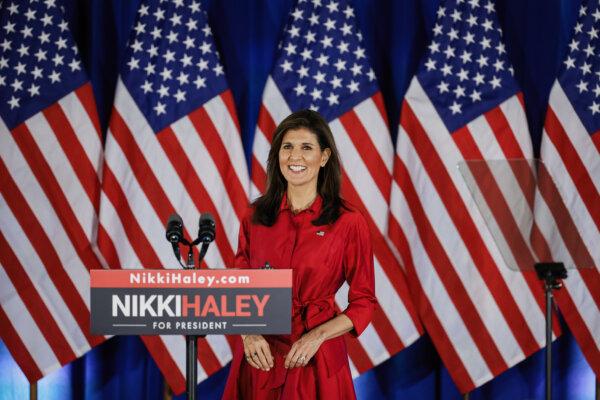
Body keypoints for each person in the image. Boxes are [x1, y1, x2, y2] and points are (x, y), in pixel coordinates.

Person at [222, 109, 376, 399]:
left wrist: (317, 336)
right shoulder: (254, 216)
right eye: (287, 147)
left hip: (315, 359)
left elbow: (364, 302)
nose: (295, 157)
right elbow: (237, 285)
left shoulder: (348, 222)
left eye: (307, 147)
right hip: (261, 357)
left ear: (324, 157)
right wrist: (248, 334)